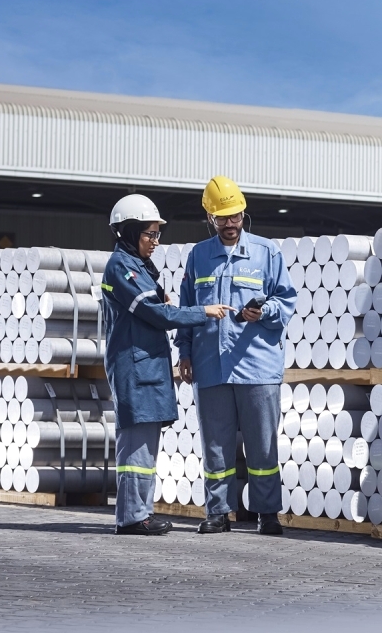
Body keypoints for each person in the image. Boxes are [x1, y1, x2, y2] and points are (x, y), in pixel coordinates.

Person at [101, 194, 234, 535]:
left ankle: (137, 513)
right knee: (137, 450)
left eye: (158, 235)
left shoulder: (136, 266)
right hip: (135, 369)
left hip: (145, 367)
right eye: (149, 235)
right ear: (130, 233)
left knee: (144, 449)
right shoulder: (122, 267)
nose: (155, 242)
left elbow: (154, 303)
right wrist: (202, 312)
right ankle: (133, 518)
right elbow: (157, 314)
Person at [177, 176, 297, 535]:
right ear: (210, 218)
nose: (231, 224)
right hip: (210, 366)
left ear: (244, 213)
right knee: (216, 444)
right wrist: (184, 352)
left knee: (262, 445)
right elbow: (187, 308)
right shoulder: (199, 256)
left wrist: (265, 311)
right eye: (222, 218)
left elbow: (286, 301)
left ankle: (267, 513)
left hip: (257, 365)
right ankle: (218, 513)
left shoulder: (266, 253)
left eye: (236, 216)